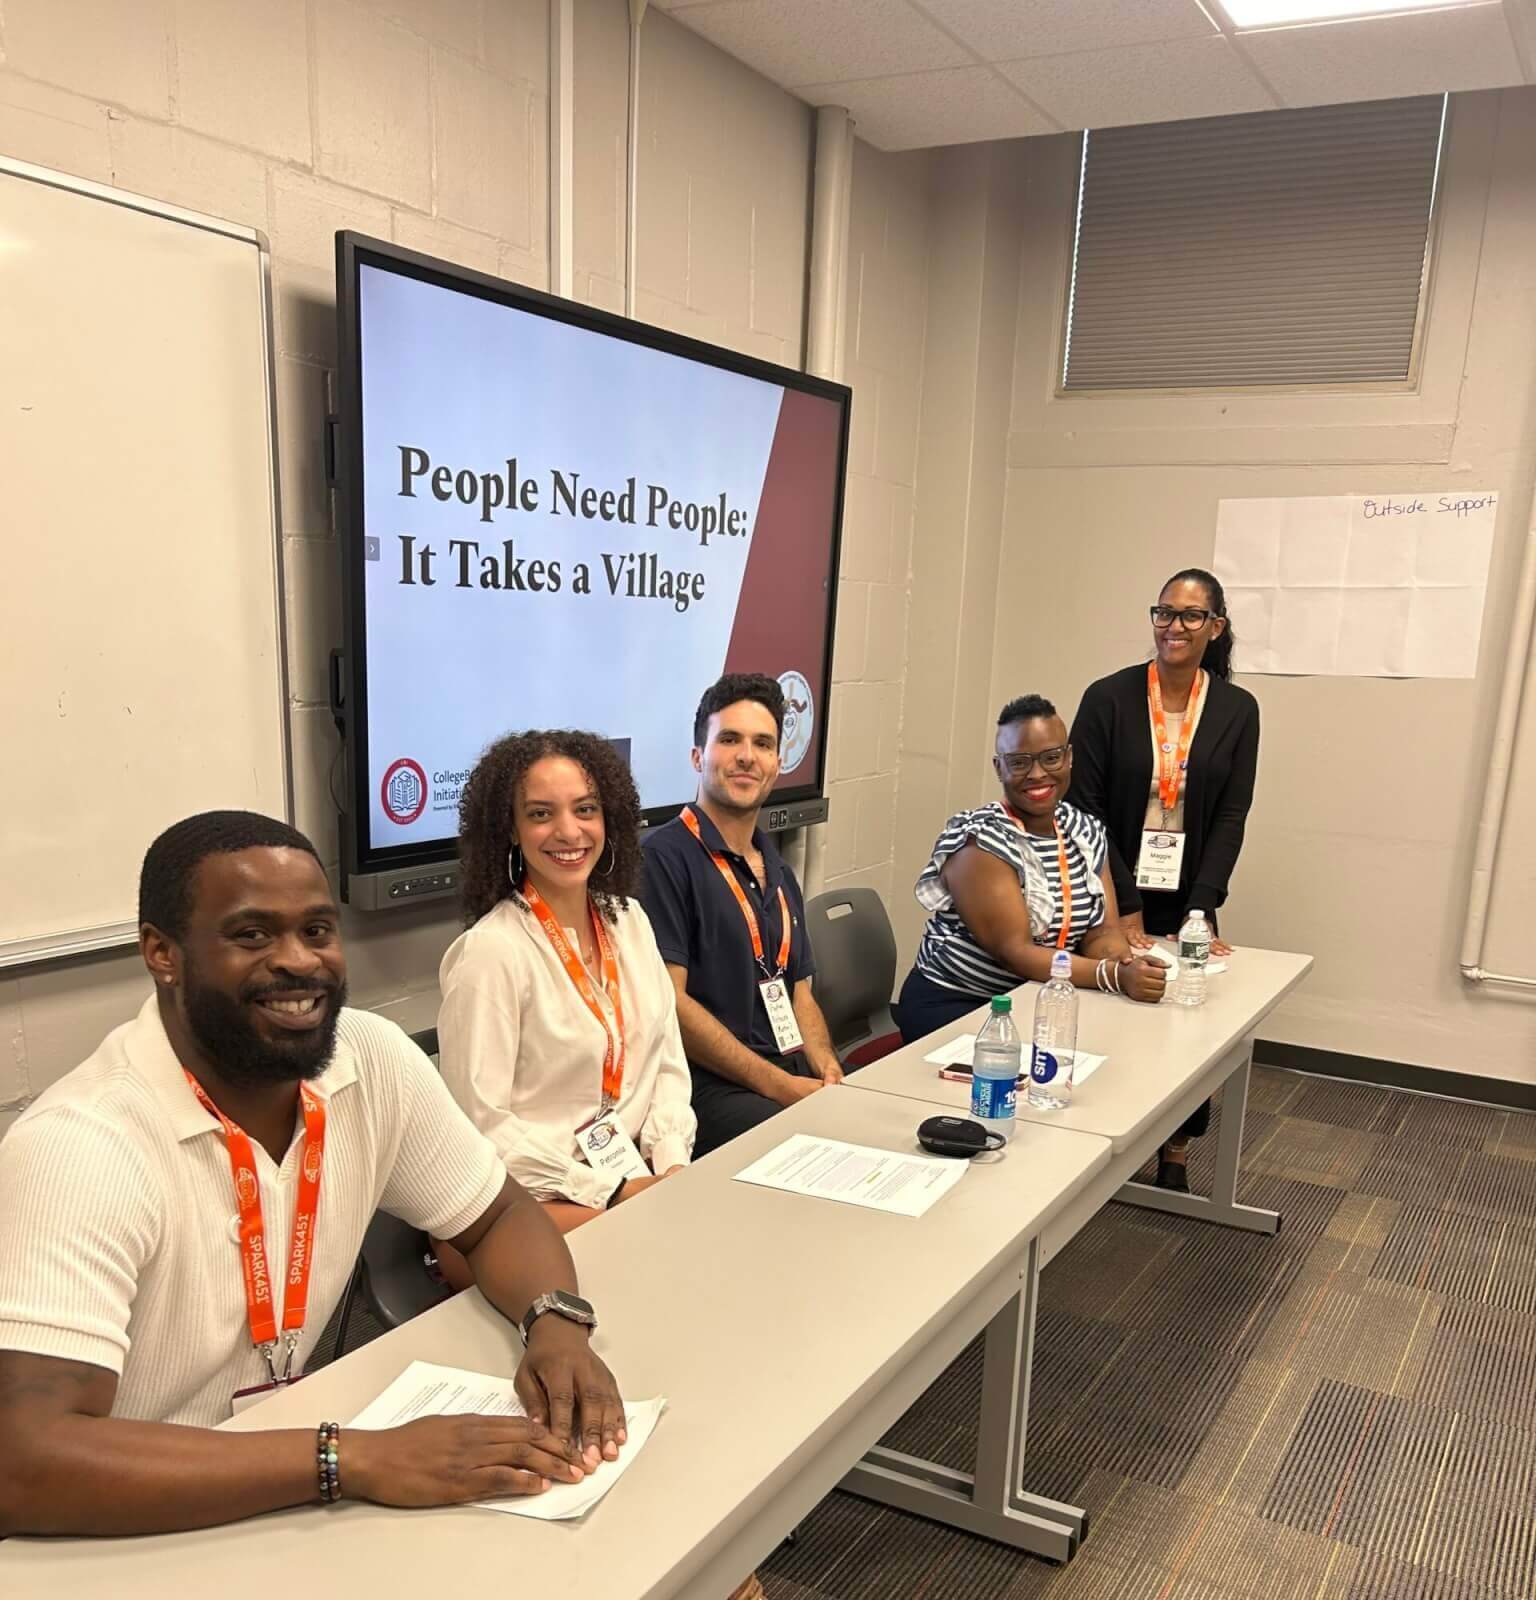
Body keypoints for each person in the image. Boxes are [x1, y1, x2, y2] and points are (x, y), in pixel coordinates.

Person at [0, 811, 624, 1538]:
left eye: (318, 930)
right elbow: (25, 1459)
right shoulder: (81, 1146)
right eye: (252, 934)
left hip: (281, 1480)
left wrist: (554, 1324)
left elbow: (498, 1218)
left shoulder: (371, 1057)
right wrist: (346, 1458)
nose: (299, 961)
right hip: (121, 1523)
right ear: (161, 953)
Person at [438, 729, 696, 1239]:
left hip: (633, 1178)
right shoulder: (491, 953)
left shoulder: (631, 921)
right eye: (540, 814)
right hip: (533, 1196)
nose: (569, 831)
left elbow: (667, 1063)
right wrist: (611, 1191)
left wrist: (671, 1165)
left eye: (585, 809)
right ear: (510, 829)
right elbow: (481, 1127)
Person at [1068, 566, 1260, 1190]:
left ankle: (1174, 1148)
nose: (1173, 627)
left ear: (1215, 627)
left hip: (1189, 891)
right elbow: (1084, 807)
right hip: (1109, 879)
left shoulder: (1236, 709)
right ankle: (1100, 1140)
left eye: (1190, 616)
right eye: (1163, 613)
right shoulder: (1109, 697)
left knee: (1184, 1020)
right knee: (1113, 1002)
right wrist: (1122, 901)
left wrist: (1202, 908)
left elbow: (1231, 815)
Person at [640, 672, 843, 1157]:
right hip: (707, 1089)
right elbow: (671, 1004)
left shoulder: (776, 867)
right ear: (698, 757)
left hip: (783, 1072)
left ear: (777, 764)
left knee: (868, 1117)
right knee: (814, 1152)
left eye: (762, 743)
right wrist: (780, 1086)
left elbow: (799, 992)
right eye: (729, 739)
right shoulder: (662, 859)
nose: (746, 756)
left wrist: (827, 1068)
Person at [894, 695, 1168, 1047]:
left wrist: (1126, 962)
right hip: (962, 1006)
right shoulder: (979, 841)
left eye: (1051, 758)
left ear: (1069, 758)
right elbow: (1016, 953)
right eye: (1019, 762)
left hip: (1041, 998)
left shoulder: (1084, 830)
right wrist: (1113, 975)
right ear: (999, 768)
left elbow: (1102, 932)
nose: (1038, 774)